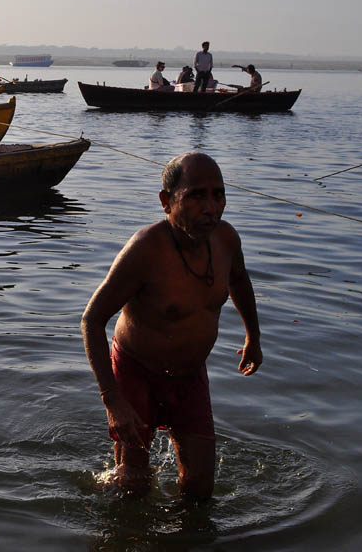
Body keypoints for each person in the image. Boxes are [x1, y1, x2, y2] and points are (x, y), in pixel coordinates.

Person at [81, 152, 263, 499]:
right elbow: (92, 319)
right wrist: (113, 400)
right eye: (196, 195)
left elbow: (239, 281)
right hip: (136, 373)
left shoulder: (226, 241)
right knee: (132, 484)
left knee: (199, 489)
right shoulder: (145, 250)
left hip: (190, 375)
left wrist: (253, 336)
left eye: (218, 194)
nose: (211, 207)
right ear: (167, 201)